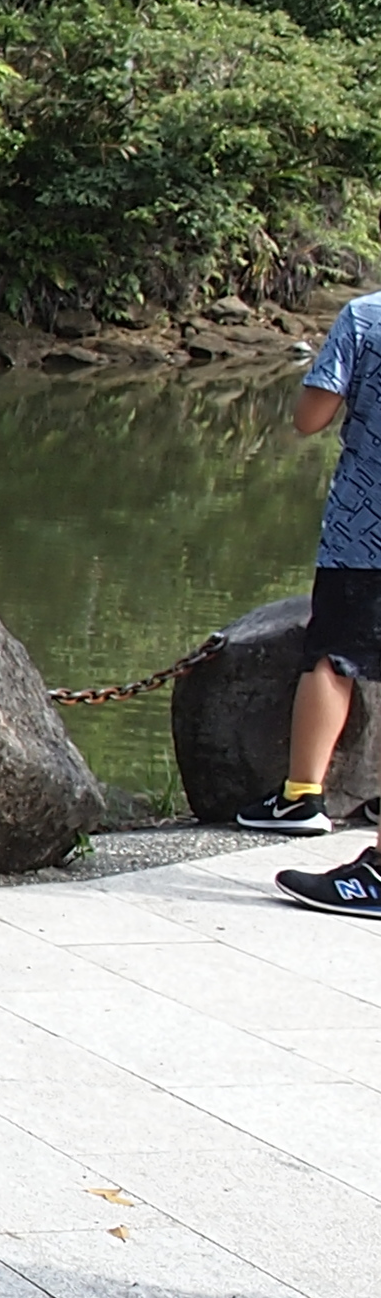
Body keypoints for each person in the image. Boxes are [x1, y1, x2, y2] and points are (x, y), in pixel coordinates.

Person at [248, 284, 381, 919]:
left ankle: (302, 797)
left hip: (366, 531)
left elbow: (310, 417)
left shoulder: (366, 317)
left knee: (333, 657)